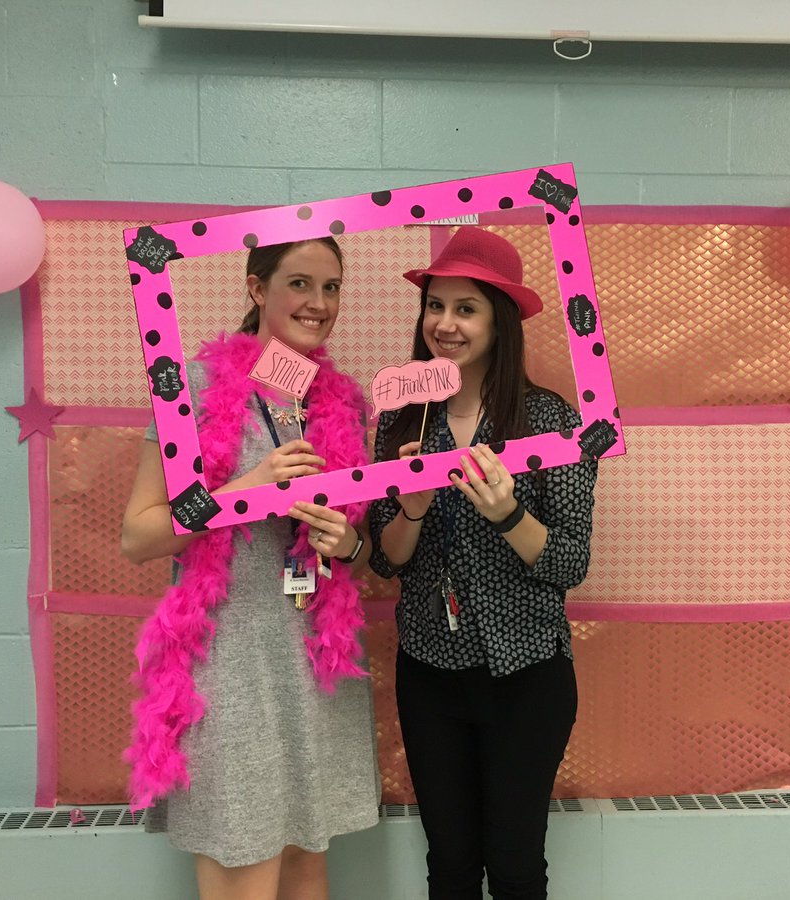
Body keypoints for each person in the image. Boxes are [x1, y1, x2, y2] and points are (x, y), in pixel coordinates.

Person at [121, 237, 379, 900]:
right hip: (230, 668)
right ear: (257, 289)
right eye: (299, 284)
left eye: (331, 287)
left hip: (313, 664)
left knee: (306, 870)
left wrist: (343, 541)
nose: (318, 304)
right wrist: (246, 489)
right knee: (245, 871)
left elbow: (360, 549)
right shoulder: (194, 387)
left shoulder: (342, 404)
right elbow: (139, 535)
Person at [368, 226, 598, 900]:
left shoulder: (549, 422)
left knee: (518, 864)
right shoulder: (401, 425)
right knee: (452, 863)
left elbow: (569, 562)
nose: (445, 323)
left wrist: (507, 516)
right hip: (430, 673)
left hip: (527, 673)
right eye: (435, 305)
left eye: (465, 308)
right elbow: (388, 561)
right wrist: (409, 509)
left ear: (499, 321)